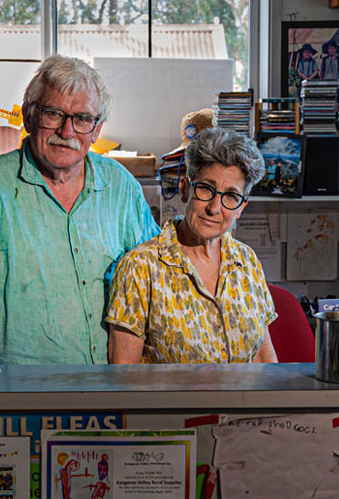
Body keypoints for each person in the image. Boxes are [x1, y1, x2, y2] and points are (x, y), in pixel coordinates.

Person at [0, 56, 155, 374]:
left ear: (96, 129)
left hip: (110, 383)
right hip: (17, 385)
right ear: (29, 116)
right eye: (54, 114)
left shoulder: (121, 185)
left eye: (82, 119)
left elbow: (156, 273)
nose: (67, 131)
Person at [106, 128, 278, 364]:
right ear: (185, 189)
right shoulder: (140, 268)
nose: (214, 208)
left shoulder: (247, 261)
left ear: (241, 208)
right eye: (206, 189)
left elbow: (264, 357)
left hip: (246, 391)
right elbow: (124, 375)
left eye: (231, 196)